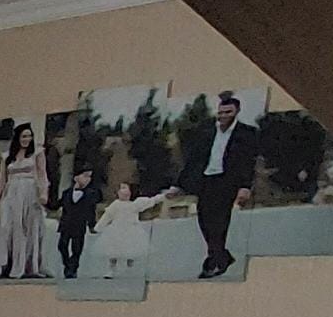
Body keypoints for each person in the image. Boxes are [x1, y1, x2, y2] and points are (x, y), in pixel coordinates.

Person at [171, 92, 259, 278]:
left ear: (236, 112)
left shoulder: (246, 133)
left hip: (227, 181)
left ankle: (214, 261)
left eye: (228, 112)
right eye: (221, 112)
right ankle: (222, 256)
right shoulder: (207, 132)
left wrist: (245, 186)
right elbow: (194, 160)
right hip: (206, 180)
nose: (223, 116)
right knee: (204, 219)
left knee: (219, 221)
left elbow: (247, 162)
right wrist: (179, 185)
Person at [0, 123, 52, 279]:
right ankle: (3, 264)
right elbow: (1, 180)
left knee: (25, 229)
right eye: (24, 136)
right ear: (18, 138)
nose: (27, 139)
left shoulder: (37, 154)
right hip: (11, 194)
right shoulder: (7, 157)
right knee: (5, 227)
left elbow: (42, 175)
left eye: (29, 136)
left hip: (29, 194)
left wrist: (43, 193)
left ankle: (25, 266)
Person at [92, 182, 164, 278]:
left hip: (131, 229)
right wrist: (98, 227)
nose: (122, 190)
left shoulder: (136, 204)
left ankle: (130, 266)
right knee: (113, 251)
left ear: (131, 191)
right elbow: (107, 217)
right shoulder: (116, 204)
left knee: (131, 248)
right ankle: (111, 269)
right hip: (116, 230)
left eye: (124, 188)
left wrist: (164, 196)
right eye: (121, 188)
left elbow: (151, 201)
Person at [52, 166, 100, 279]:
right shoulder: (66, 193)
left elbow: (91, 211)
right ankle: (67, 264)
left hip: (79, 224)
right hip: (66, 224)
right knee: (62, 245)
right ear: (76, 178)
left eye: (89, 177)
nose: (88, 179)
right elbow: (56, 205)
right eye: (85, 176)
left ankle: (73, 268)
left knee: (77, 248)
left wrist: (92, 225)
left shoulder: (91, 194)